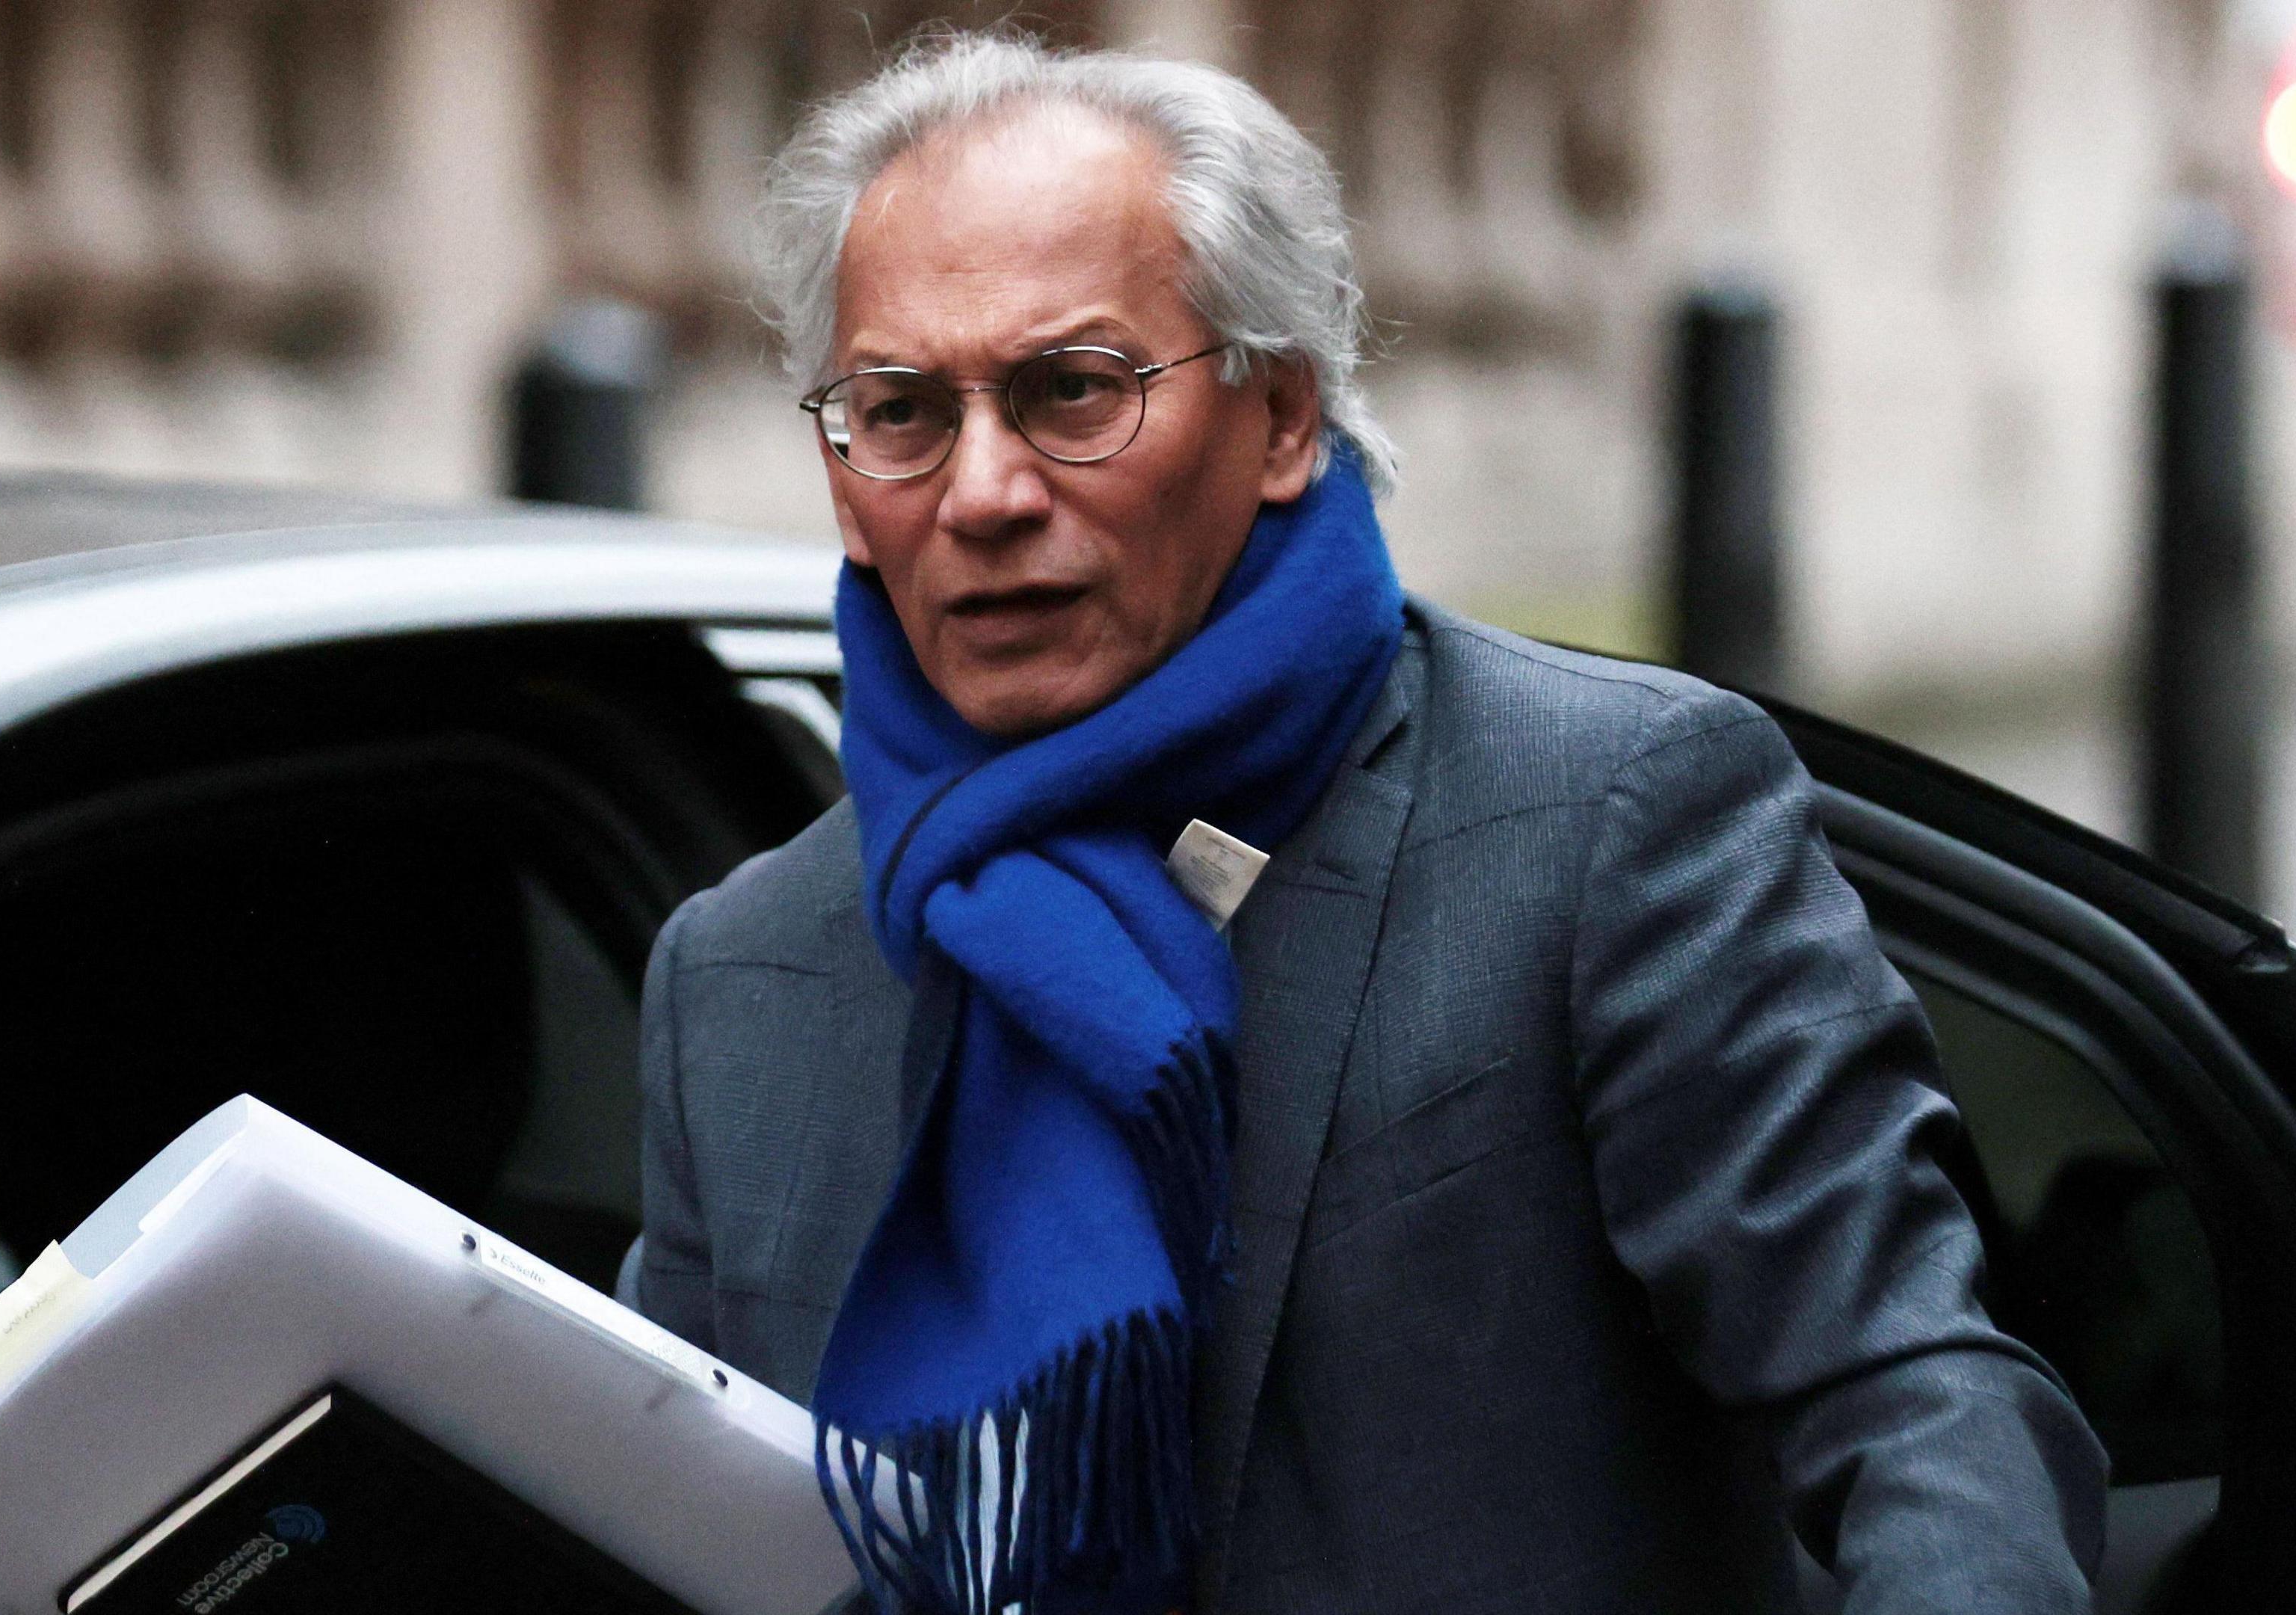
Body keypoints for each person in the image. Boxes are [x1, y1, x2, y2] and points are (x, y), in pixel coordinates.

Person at [630, 31, 2106, 1615]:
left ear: (1280, 421)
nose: (981, 491)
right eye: (903, 410)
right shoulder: (741, 980)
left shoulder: (1609, 822)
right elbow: (641, 1521)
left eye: (1073, 391)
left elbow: (1921, 1408)